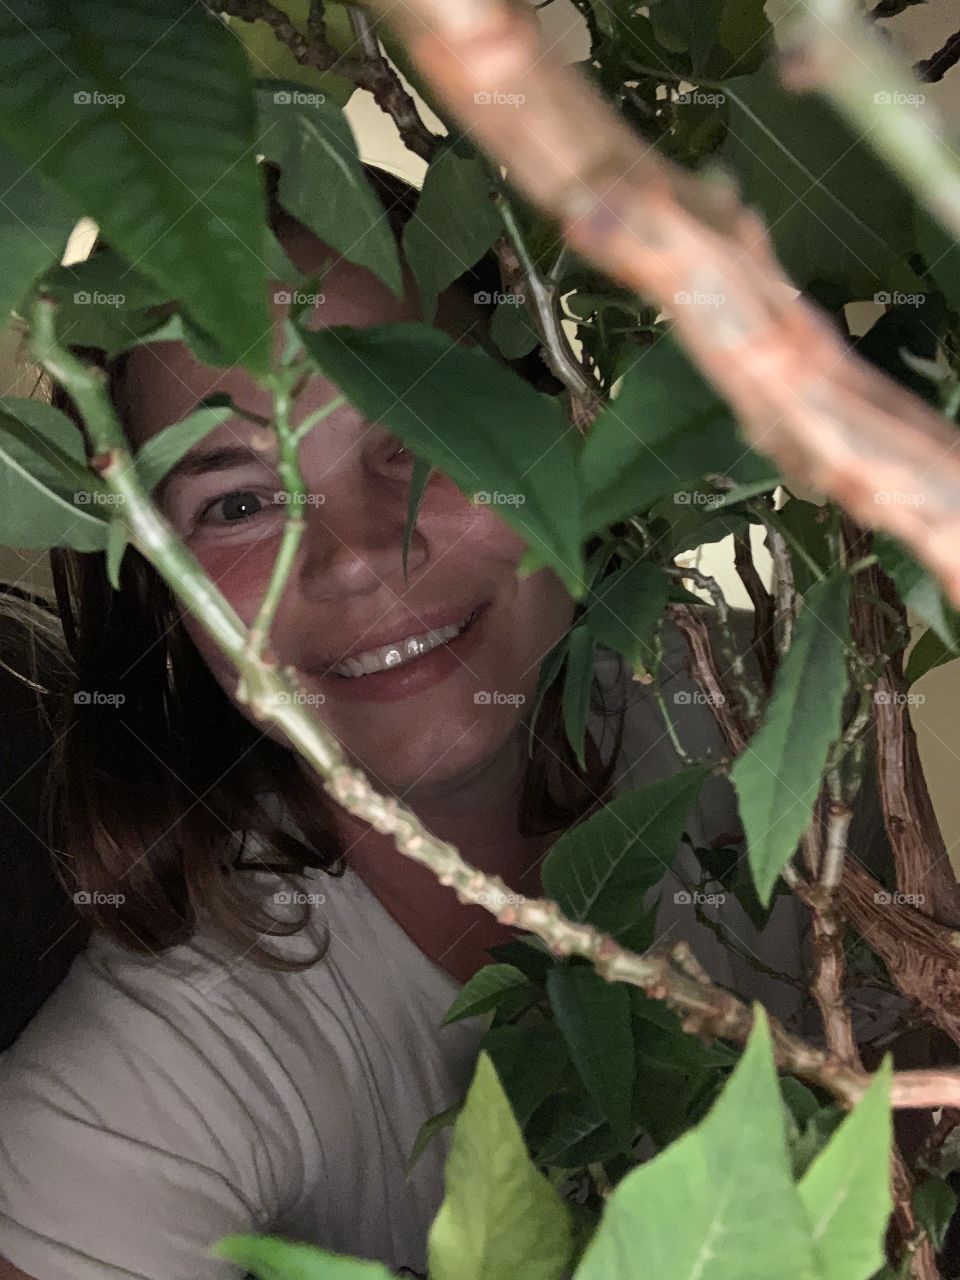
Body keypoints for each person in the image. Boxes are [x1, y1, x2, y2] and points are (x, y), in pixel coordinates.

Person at [0, 161, 874, 1280]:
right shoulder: (149, 1090)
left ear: (561, 430)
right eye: (239, 500)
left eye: (423, 426)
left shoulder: (785, 713)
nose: (357, 550)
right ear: (165, 591)